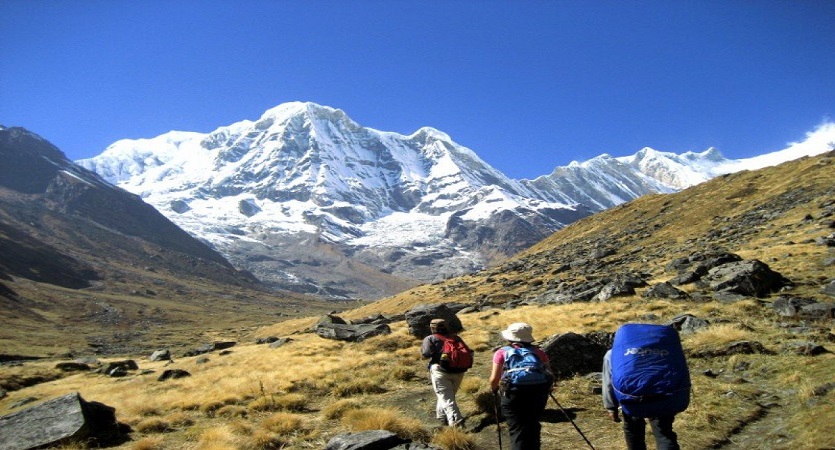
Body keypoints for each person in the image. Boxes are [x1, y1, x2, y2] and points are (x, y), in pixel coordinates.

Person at [488, 322, 554, 450]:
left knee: (517, 428)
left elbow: (494, 379)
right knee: (533, 425)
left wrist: (494, 389)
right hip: (538, 392)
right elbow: (550, 374)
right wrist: (547, 389)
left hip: (513, 392)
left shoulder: (502, 352)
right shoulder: (538, 352)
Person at [602, 349, 682, 450]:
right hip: (660, 395)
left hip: (631, 399)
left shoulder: (614, 353)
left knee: (633, 431)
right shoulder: (662, 348)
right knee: (664, 433)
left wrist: (611, 407)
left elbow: (609, 382)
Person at [420, 318, 468, 427]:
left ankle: (457, 423)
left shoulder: (430, 338)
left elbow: (426, 354)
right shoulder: (456, 337)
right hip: (459, 371)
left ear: (432, 328)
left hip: (440, 371)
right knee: (446, 396)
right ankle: (442, 417)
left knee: (447, 398)